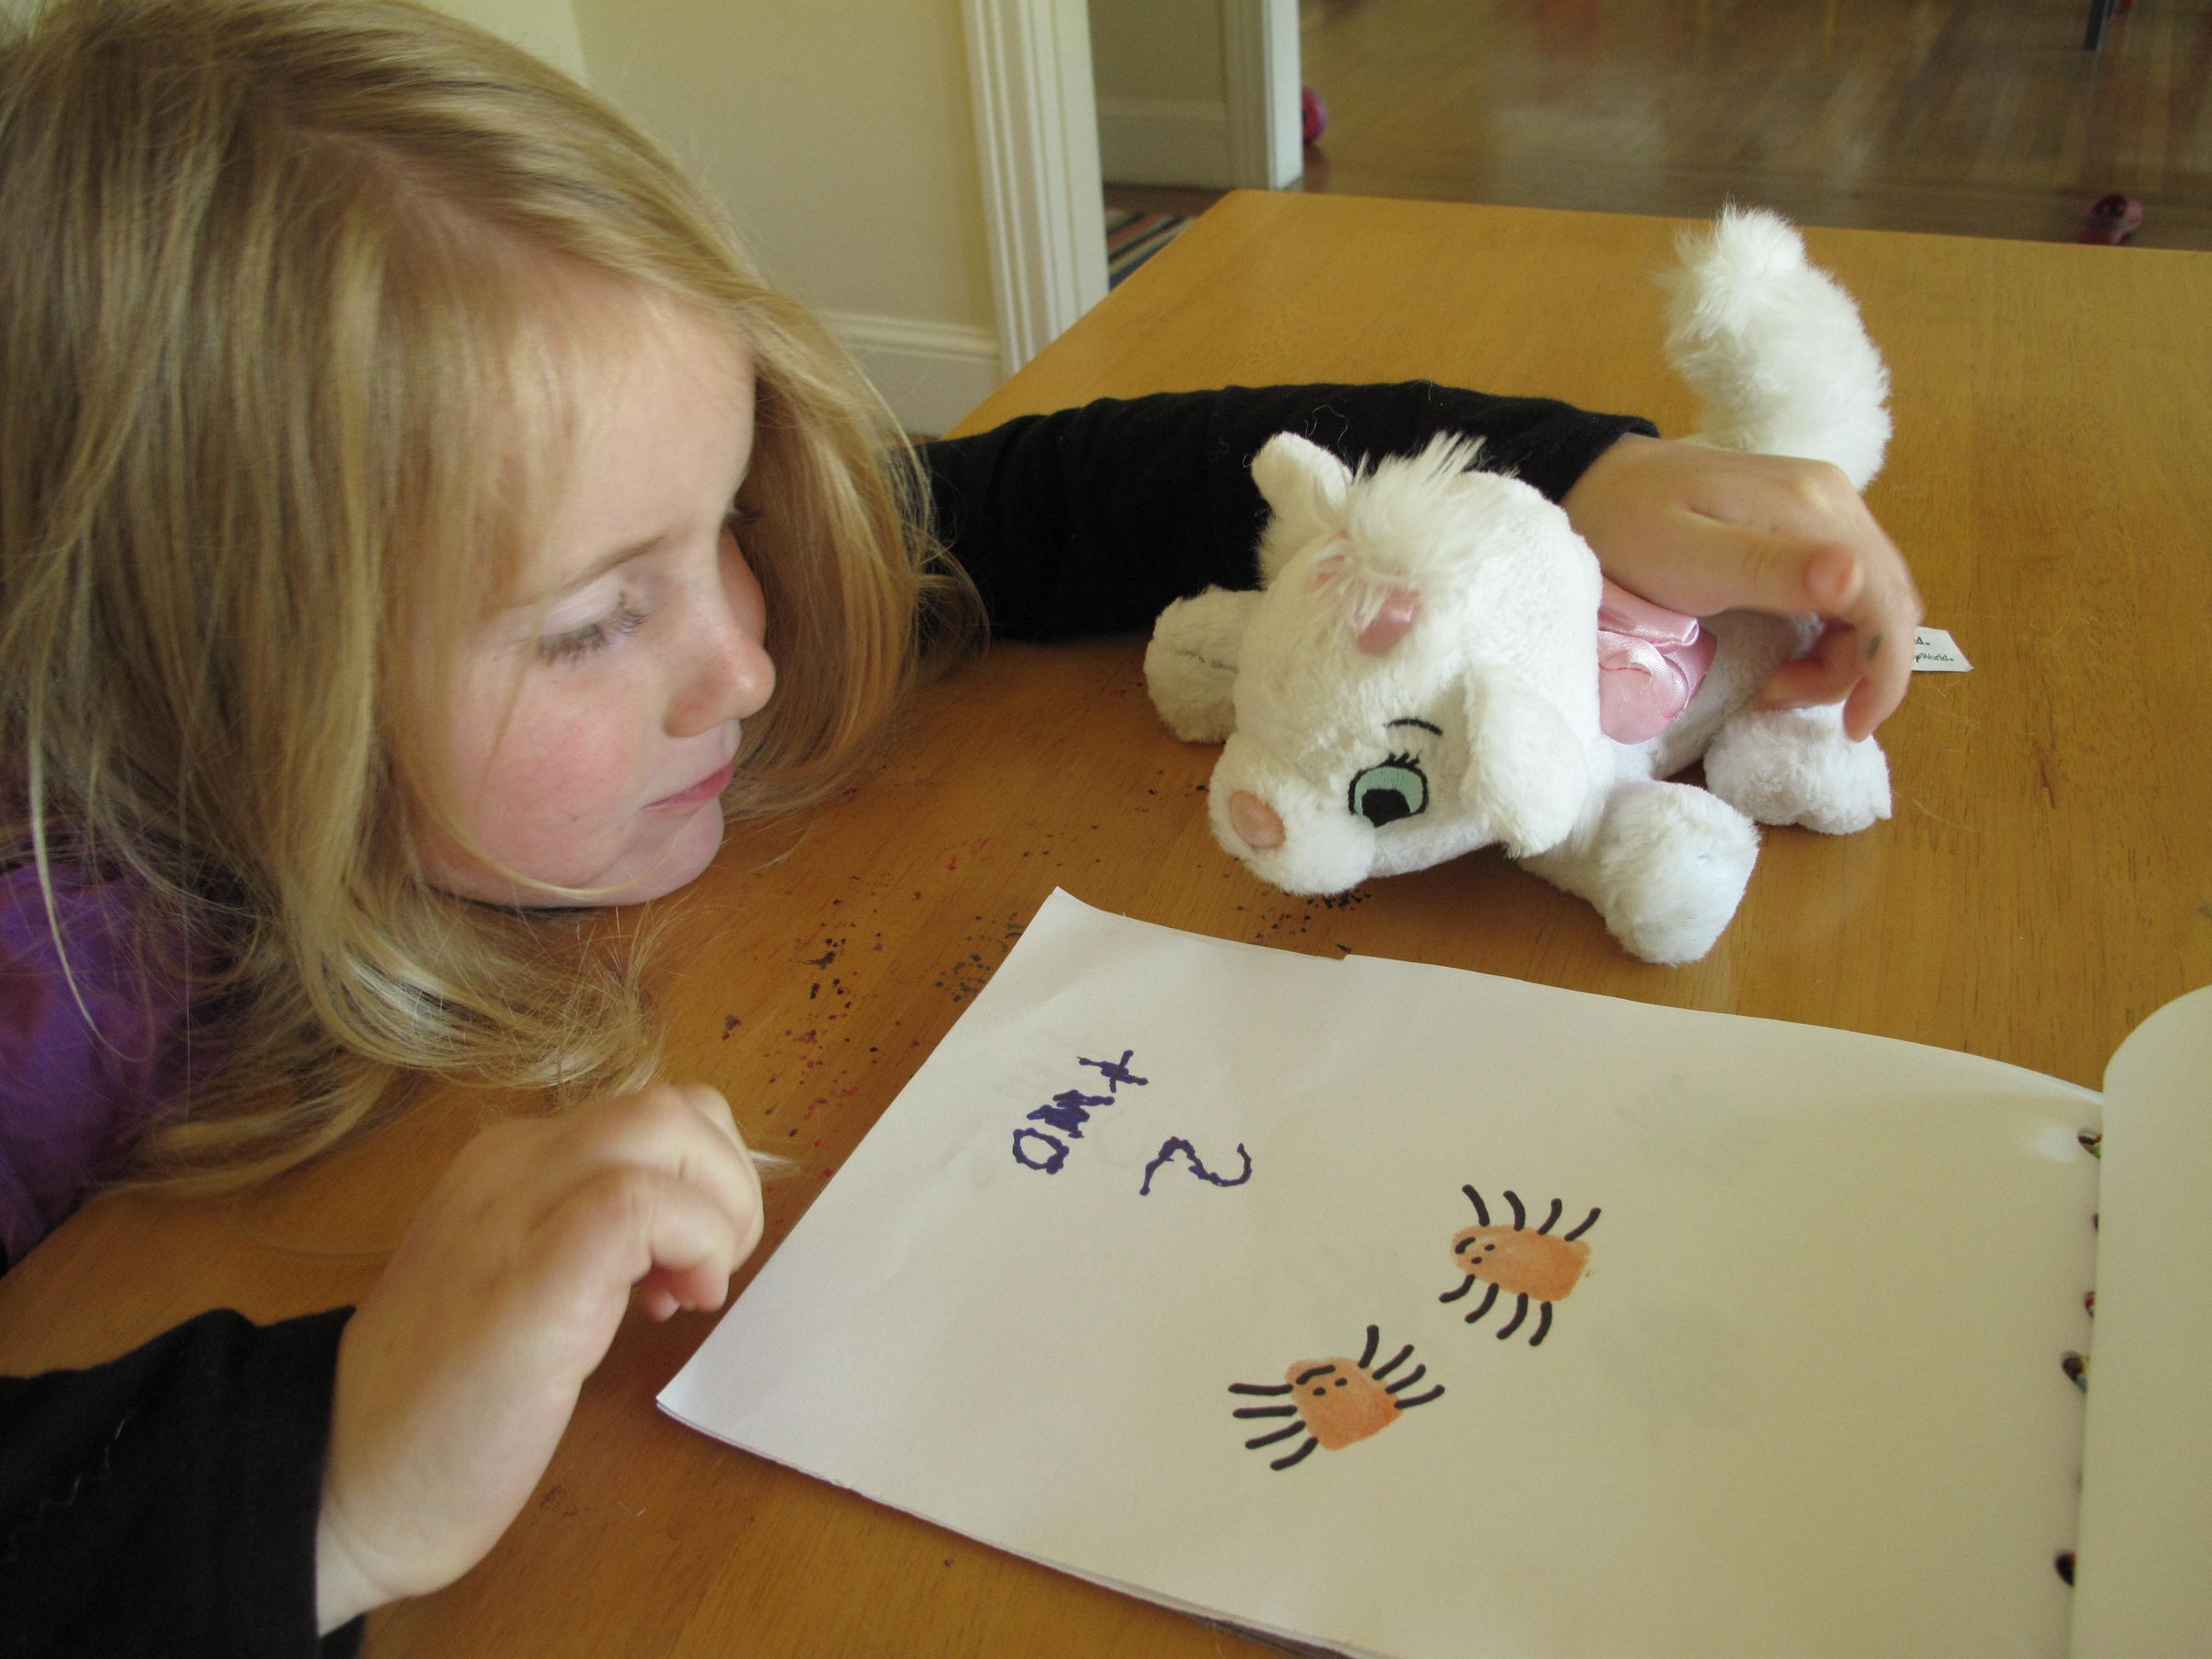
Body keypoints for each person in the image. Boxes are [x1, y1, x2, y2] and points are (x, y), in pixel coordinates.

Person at [0, 0, 1921, 1652]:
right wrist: (323, 1474)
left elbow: (1068, 488)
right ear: (226, 694)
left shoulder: (714, 589)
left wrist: (1586, 489)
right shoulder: (52, 975)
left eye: (730, 521)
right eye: (598, 621)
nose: (748, 662)